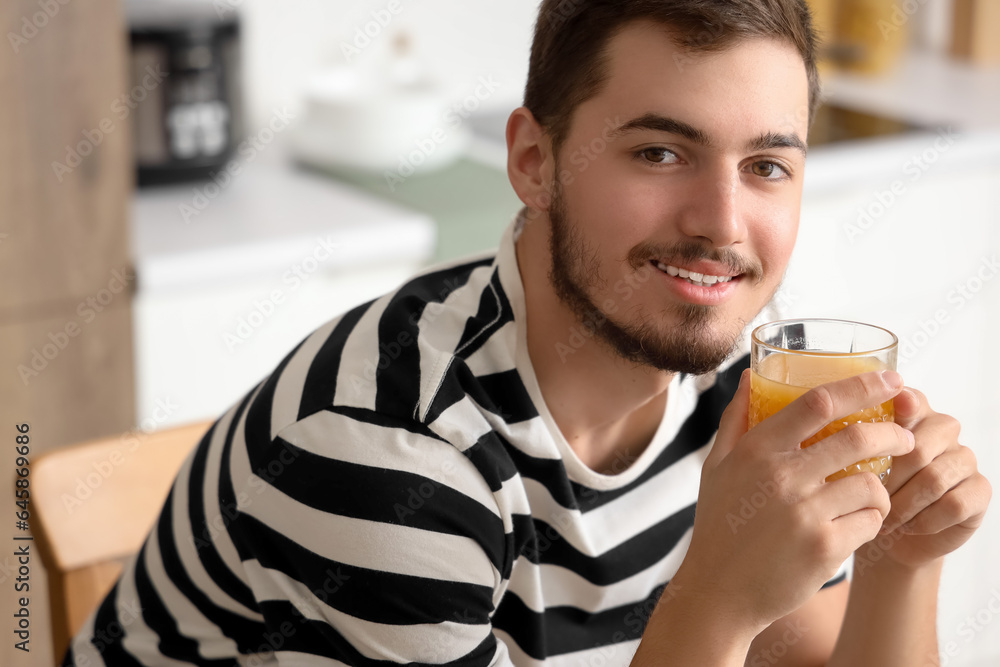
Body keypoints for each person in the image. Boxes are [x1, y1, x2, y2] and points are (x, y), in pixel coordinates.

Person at [64, 0, 991, 665]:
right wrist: (714, 600)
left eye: (765, 166)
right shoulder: (393, 461)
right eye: (660, 152)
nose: (722, 225)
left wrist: (896, 562)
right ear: (534, 160)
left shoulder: (737, 365)